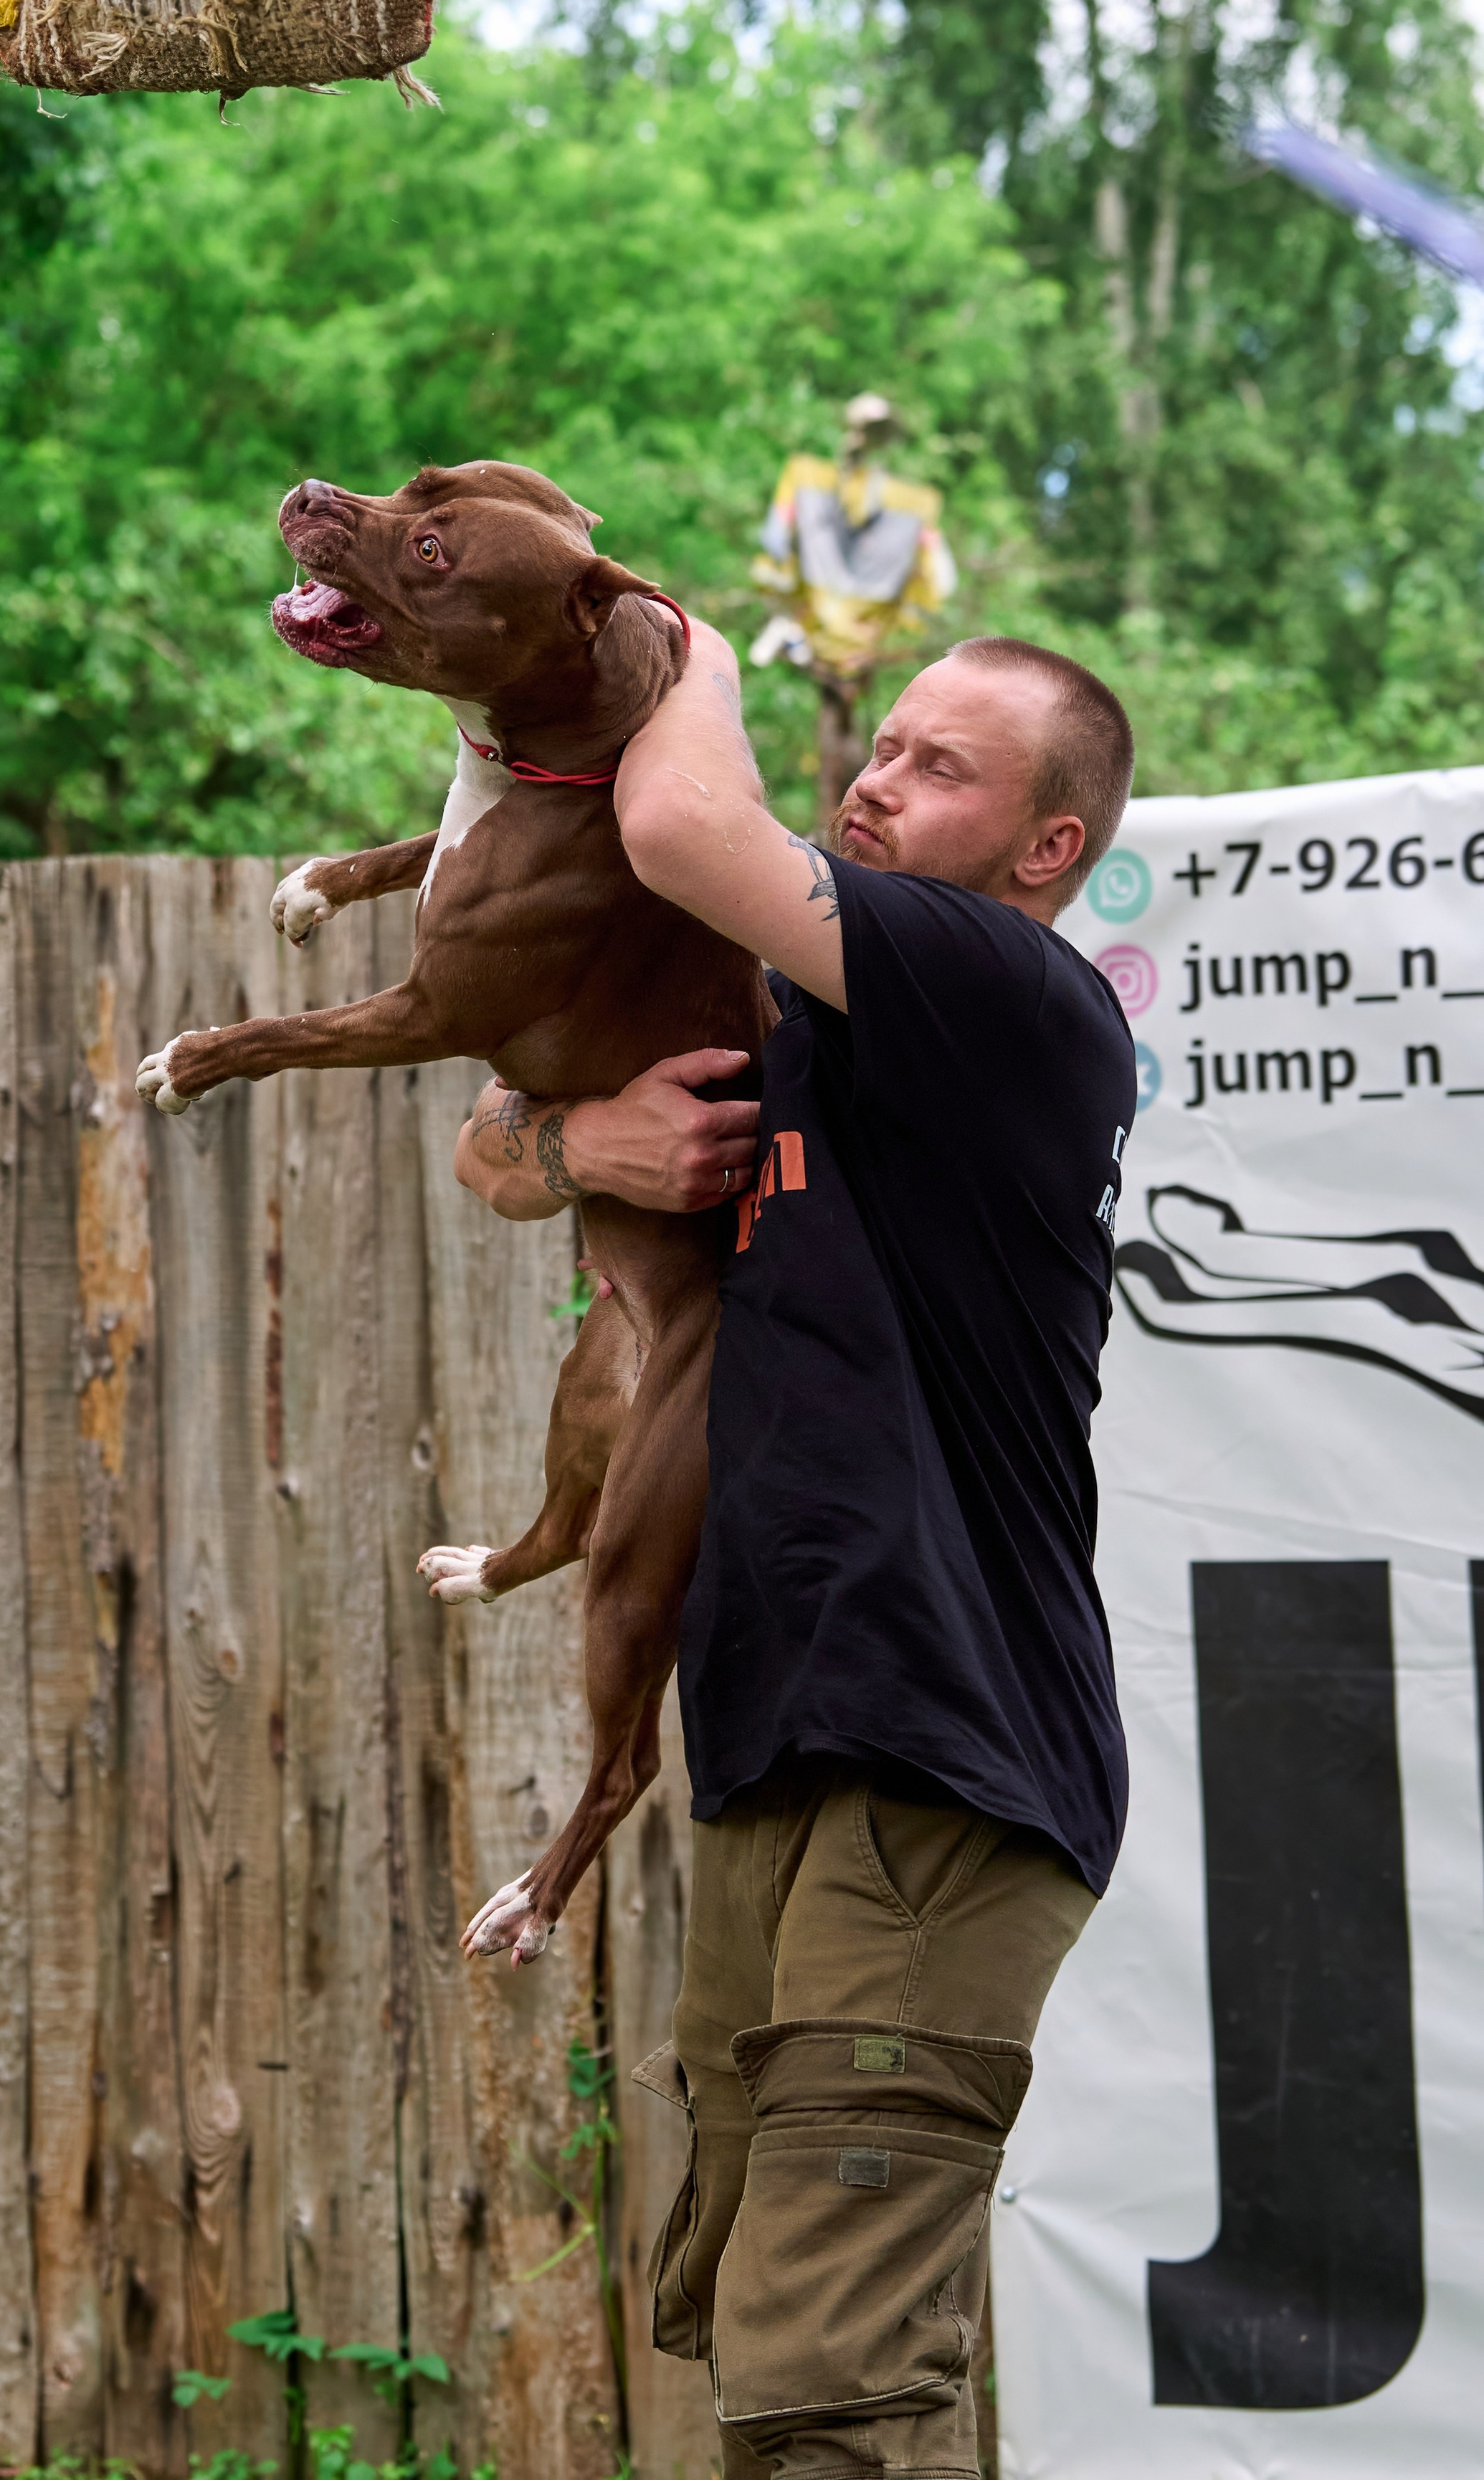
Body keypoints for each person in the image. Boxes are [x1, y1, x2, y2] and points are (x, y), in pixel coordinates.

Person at [453, 624, 1138, 2479]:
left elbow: (679, 824)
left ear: (1045, 850)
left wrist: (678, 653)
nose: (877, 779)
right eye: (882, 741)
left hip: (941, 1760)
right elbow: (484, 1145)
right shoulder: (807, 1038)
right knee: (780, 2350)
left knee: (831, 2394)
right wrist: (585, 1140)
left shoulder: (1008, 995)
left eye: (937, 767)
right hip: (785, 1755)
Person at [751, 393, 959, 817]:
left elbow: (775, 546)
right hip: (840, 640)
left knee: (858, 759)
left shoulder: (819, 483)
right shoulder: (901, 501)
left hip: (841, 642)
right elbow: (940, 578)